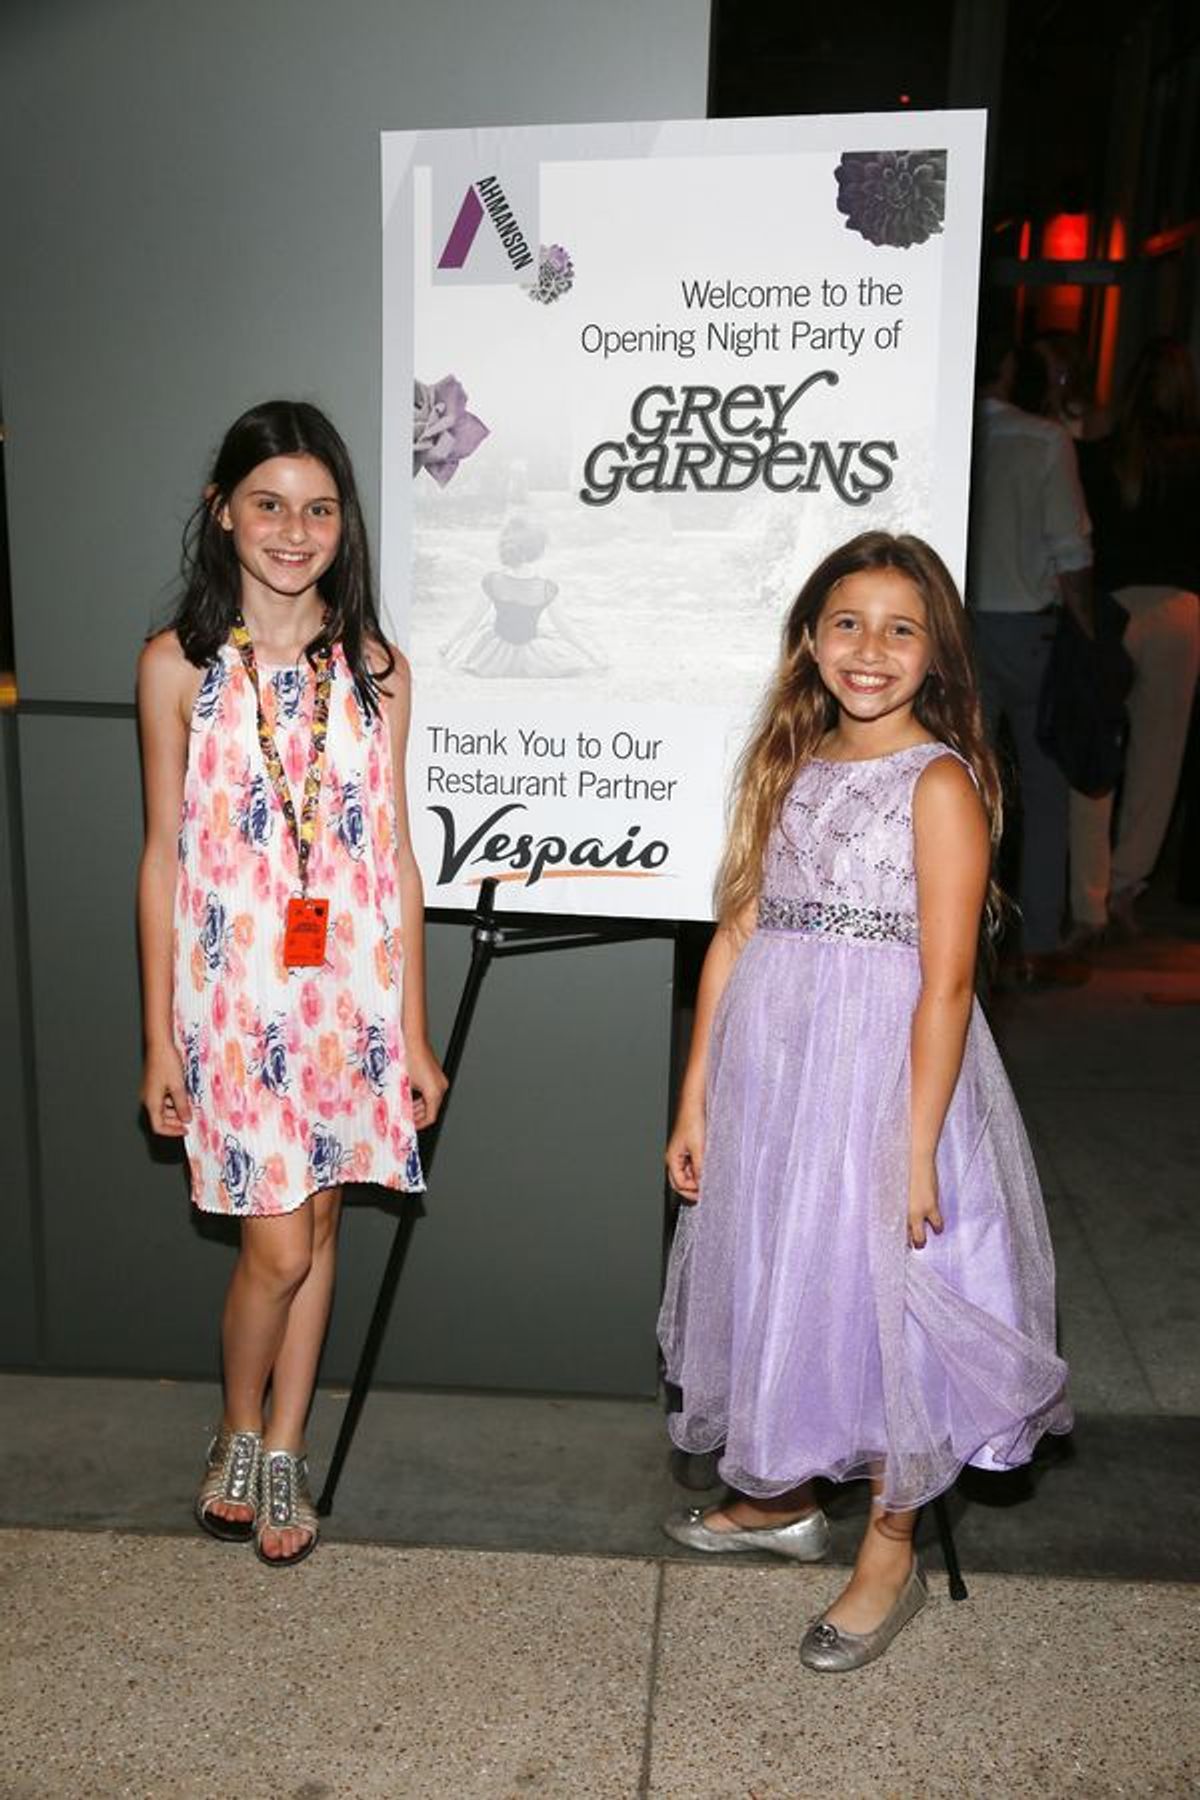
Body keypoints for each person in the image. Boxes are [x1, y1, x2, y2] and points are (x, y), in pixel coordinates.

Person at [658, 532, 1071, 1673]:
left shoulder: (939, 783)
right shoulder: (787, 761)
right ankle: (782, 1496)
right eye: (848, 623)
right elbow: (737, 931)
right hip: (776, 1073)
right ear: (809, 638)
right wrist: (697, 1096)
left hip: (886, 1082)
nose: (870, 649)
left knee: (888, 1303)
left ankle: (891, 1549)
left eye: (901, 628)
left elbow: (947, 983)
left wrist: (917, 1144)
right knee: (788, 1275)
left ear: (938, 653)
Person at [137, 400, 447, 1566]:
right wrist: (159, 1040)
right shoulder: (176, 666)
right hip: (232, 1007)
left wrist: (413, 1033)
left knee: (319, 1222)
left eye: (318, 509)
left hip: (348, 1001)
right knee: (275, 1247)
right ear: (223, 512)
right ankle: (236, 1425)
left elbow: (396, 859)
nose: (293, 529)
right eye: (268, 503)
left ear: (343, 524)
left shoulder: (378, 672)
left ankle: (285, 1446)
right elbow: (161, 858)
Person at [968, 329, 1095, 985]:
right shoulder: (1044, 440)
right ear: (1011, 366)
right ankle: (1040, 941)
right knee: (1045, 790)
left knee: (968, 789)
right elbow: (1070, 550)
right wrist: (1089, 634)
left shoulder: (959, 434)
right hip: (1030, 630)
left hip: (963, 628)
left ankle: (966, 940)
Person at [1069, 338, 1200, 942]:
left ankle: (1088, 899)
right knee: (1159, 756)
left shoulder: (1102, 454)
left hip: (1113, 607)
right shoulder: (1192, 457)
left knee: (1093, 746)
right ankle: (1127, 882)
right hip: (1180, 608)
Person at [439, 514, 606, 677]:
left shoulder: (492, 581)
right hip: (533, 655)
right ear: (537, 551)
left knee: (484, 629)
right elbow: (565, 628)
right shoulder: (546, 588)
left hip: (493, 655)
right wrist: (593, 655)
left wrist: (449, 645)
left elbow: (473, 621)